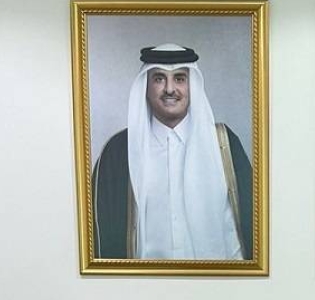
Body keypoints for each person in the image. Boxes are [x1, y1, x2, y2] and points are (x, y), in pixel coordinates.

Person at [92, 43, 253, 261]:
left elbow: (253, 221)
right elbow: (102, 238)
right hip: (144, 281)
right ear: (145, 87)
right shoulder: (118, 152)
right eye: (159, 79)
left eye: (179, 78)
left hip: (217, 279)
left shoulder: (224, 144)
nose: (169, 89)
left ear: (192, 85)